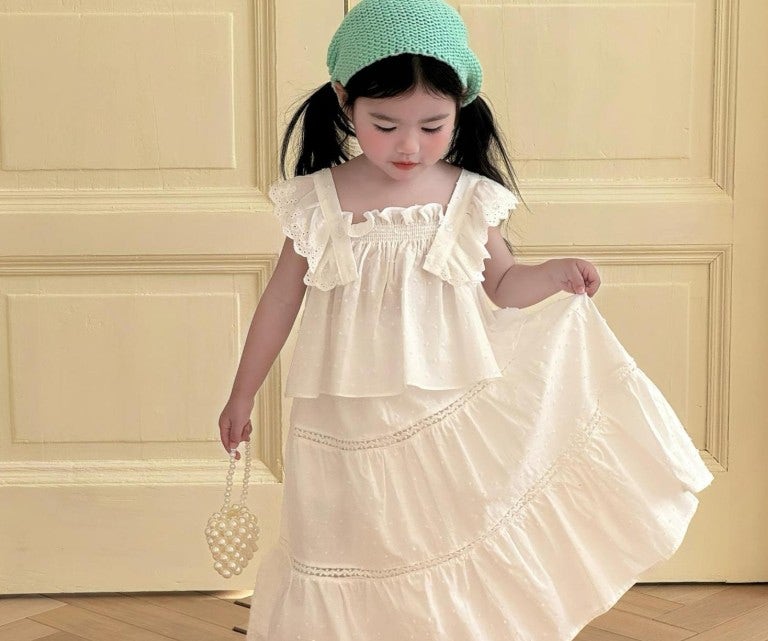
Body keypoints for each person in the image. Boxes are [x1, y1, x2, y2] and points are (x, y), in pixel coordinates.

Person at [217, 1, 715, 639]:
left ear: (461, 110)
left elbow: (503, 286)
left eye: (432, 126)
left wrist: (553, 273)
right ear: (344, 101)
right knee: (345, 537)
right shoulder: (318, 200)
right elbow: (280, 302)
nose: (408, 145)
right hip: (340, 414)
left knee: (436, 535)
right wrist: (242, 393)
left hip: (443, 408)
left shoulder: (467, 196)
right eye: (385, 124)